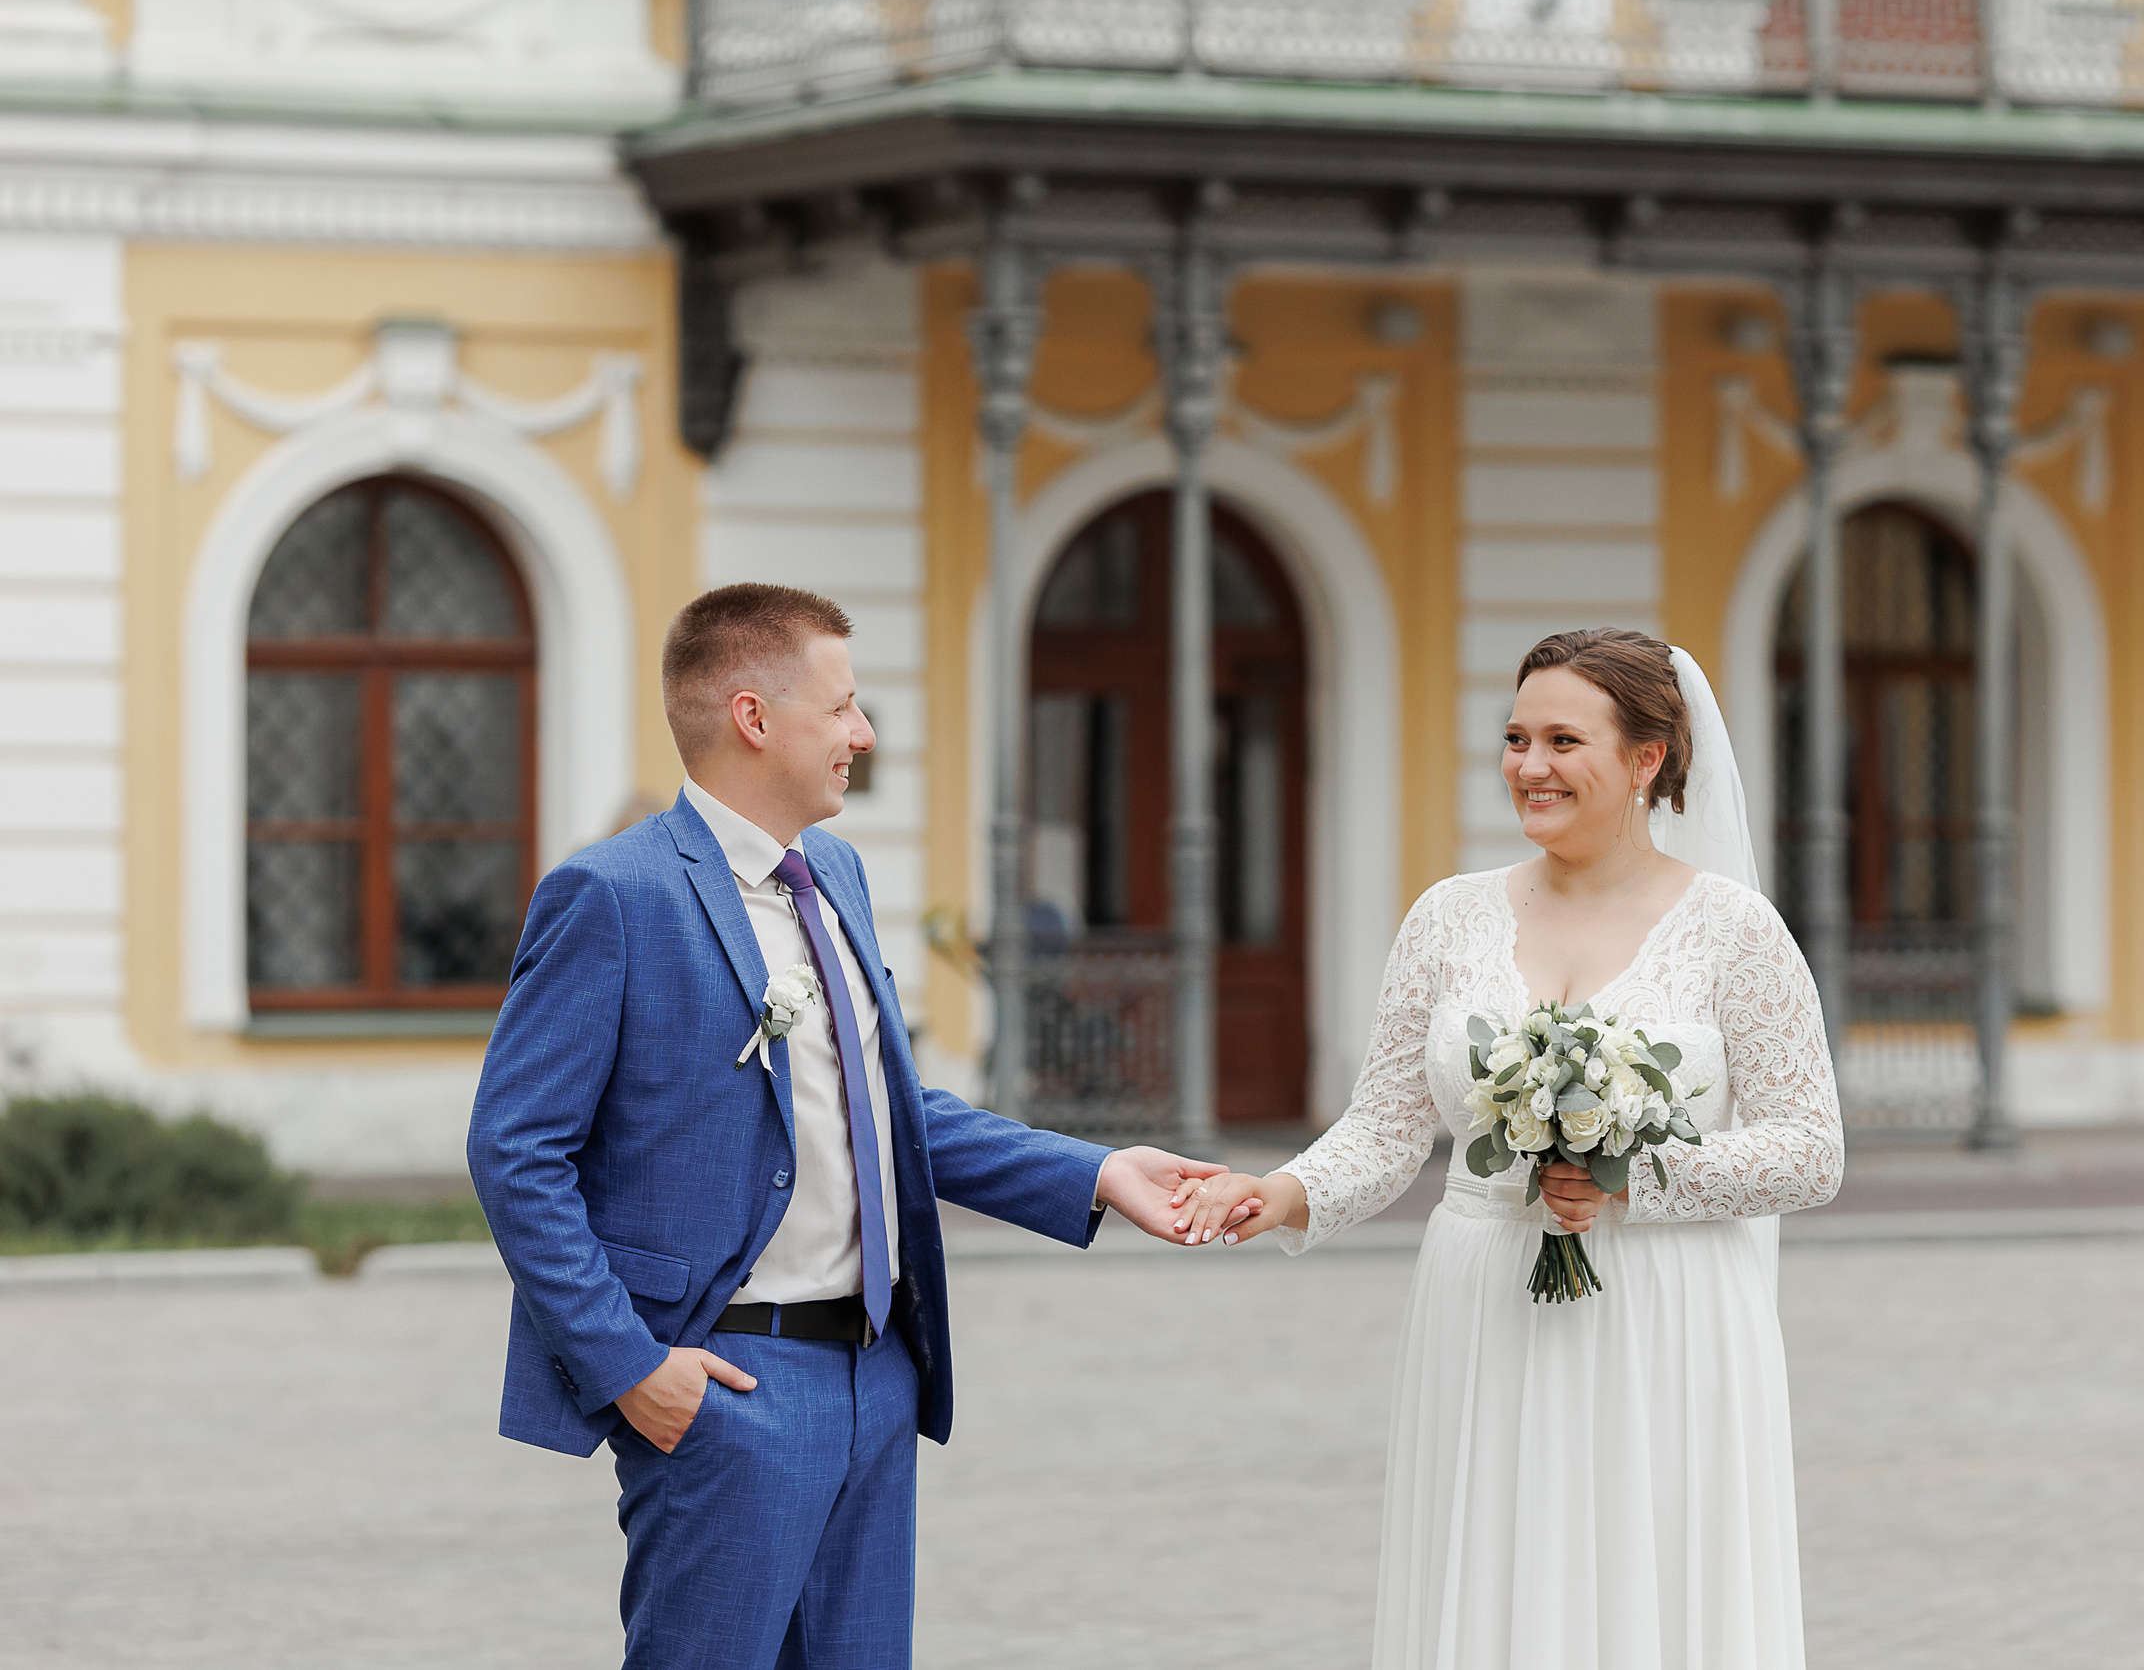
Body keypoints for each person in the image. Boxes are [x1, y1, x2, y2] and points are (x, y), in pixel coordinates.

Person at [467, 583, 1223, 1670]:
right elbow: (513, 1148)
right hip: (725, 1388)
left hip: (878, 1380)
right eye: (845, 707)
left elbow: (889, 1111)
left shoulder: (841, 877)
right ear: (753, 717)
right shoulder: (613, 895)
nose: (863, 735)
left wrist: (1099, 1173)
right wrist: (629, 1365)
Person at [1174, 627, 1844, 1670]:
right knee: (1495, 1581)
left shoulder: (1735, 931)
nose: (1529, 766)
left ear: (1644, 759)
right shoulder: (1447, 919)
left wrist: (1632, 1176)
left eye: (1562, 740)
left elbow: (1810, 1150)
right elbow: (1387, 1126)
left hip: (1669, 1312)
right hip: (1485, 1298)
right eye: (1515, 737)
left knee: (1652, 1579)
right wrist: (1280, 1192)